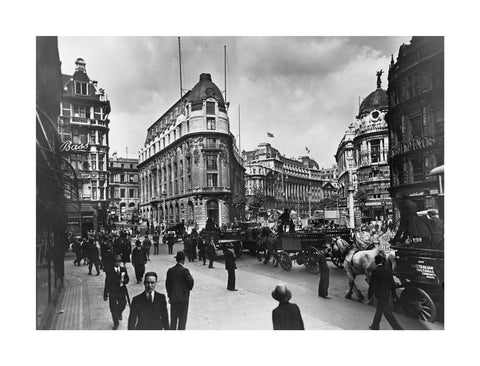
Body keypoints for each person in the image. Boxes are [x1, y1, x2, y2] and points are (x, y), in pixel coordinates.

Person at [368, 255, 403, 330]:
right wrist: (394, 295)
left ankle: (397, 328)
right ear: (382, 261)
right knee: (379, 310)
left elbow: (371, 284)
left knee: (387, 312)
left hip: (379, 294)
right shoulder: (388, 270)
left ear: (375, 262)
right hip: (386, 293)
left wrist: (370, 294)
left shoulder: (375, 271)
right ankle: (375, 325)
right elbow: (392, 284)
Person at [165, 251, 194, 330]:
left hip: (173, 299)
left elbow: (167, 285)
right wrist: (187, 289)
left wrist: (169, 295)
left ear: (176, 260)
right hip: (183, 299)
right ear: (183, 260)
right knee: (182, 320)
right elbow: (191, 282)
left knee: (173, 320)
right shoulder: (185, 271)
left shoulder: (170, 270)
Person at [103, 255, 130, 330]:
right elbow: (107, 282)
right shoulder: (109, 271)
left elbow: (127, 278)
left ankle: (119, 313)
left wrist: (124, 281)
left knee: (123, 304)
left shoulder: (123, 269)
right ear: (113, 262)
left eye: (119, 261)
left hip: (121, 291)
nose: (118, 263)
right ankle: (116, 323)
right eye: (116, 261)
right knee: (113, 308)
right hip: (113, 291)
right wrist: (105, 294)